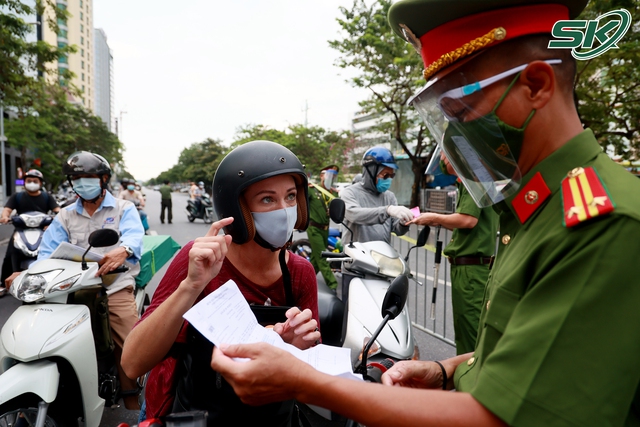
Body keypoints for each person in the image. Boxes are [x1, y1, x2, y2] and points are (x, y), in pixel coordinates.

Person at [207, 0, 640, 425]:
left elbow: (498, 417)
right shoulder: (534, 208)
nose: (453, 142)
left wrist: (305, 382)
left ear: (536, 85)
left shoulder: (601, 223)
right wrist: (445, 370)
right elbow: (528, 353)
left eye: (463, 111)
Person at [122, 140, 321, 426]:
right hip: (192, 414)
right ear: (237, 208)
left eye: (291, 196)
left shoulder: (300, 272)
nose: (284, 209)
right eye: (267, 199)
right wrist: (191, 285)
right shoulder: (200, 259)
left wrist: (295, 346)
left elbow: (315, 371)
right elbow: (133, 363)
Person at [36, 151, 144, 410]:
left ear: (103, 179)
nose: (82, 182)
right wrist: (28, 272)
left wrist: (124, 250)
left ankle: (134, 399)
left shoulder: (123, 208)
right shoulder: (64, 216)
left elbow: (133, 235)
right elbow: (45, 252)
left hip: (113, 286)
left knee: (130, 343)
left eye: (89, 177)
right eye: (77, 178)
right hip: (73, 289)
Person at [410, 152, 499, 354]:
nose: (442, 160)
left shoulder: (473, 178)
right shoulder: (476, 178)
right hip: (470, 266)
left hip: (472, 269)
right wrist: (436, 219)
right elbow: (468, 224)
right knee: (465, 329)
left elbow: (468, 220)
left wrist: (435, 217)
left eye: (444, 155)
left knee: (472, 332)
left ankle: (473, 382)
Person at [0, 169, 60, 296]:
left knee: (52, 252)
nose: (32, 183)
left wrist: (57, 218)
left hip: (42, 231)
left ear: (40, 183)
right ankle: (2, 284)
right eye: (29, 181)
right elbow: (7, 210)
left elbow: (58, 210)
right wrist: (5, 216)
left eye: (35, 181)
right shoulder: (17, 196)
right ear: (24, 182)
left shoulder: (46, 197)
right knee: (9, 254)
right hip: (21, 230)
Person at [339, 146, 412, 244]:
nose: (389, 179)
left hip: (381, 255)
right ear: (371, 172)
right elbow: (355, 215)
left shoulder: (389, 196)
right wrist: (387, 210)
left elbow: (397, 229)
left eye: (392, 175)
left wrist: (403, 223)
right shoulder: (349, 193)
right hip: (356, 256)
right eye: (385, 175)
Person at [307, 165, 339, 289]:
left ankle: (304, 280)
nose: (332, 178)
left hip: (325, 229)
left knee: (315, 259)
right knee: (322, 257)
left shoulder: (333, 194)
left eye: (334, 176)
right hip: (314, 228)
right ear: (322, 176)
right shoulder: (312, 190)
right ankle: (333, 285)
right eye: (330, 175)